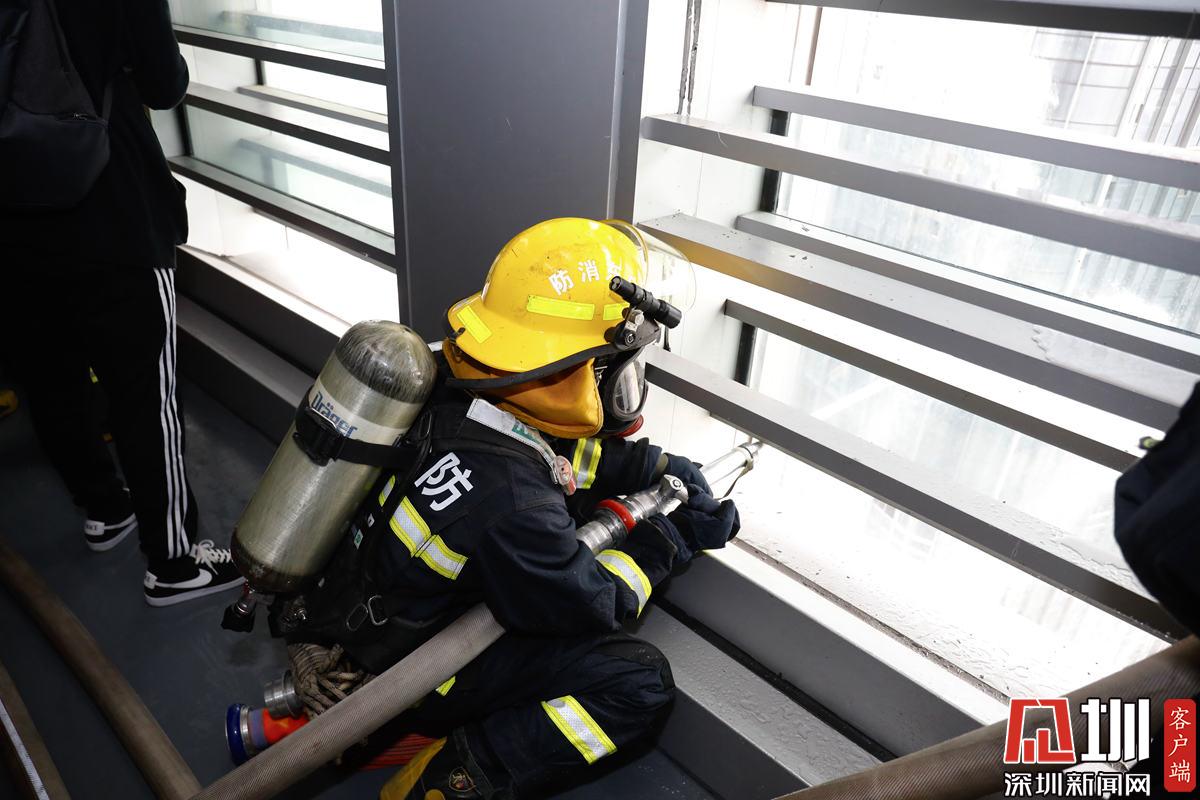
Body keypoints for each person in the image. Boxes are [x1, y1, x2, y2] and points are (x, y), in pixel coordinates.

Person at [273, 218, 740, 800]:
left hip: (347, 605)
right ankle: (443, 783)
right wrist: (668, 541)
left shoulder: (444, 377)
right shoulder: (518, 506)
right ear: (582, 369)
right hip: (416, 668)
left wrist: (650, 466)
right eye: (622, 367)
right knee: (637, 684)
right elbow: (592, 602)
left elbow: (543, 449)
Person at [0, 0, 241, 604]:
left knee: (51, 383)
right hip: (113, 214)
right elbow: (164, 84)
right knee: (144, 397)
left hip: (13, 226)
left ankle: (105, 508)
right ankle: (174, 564)